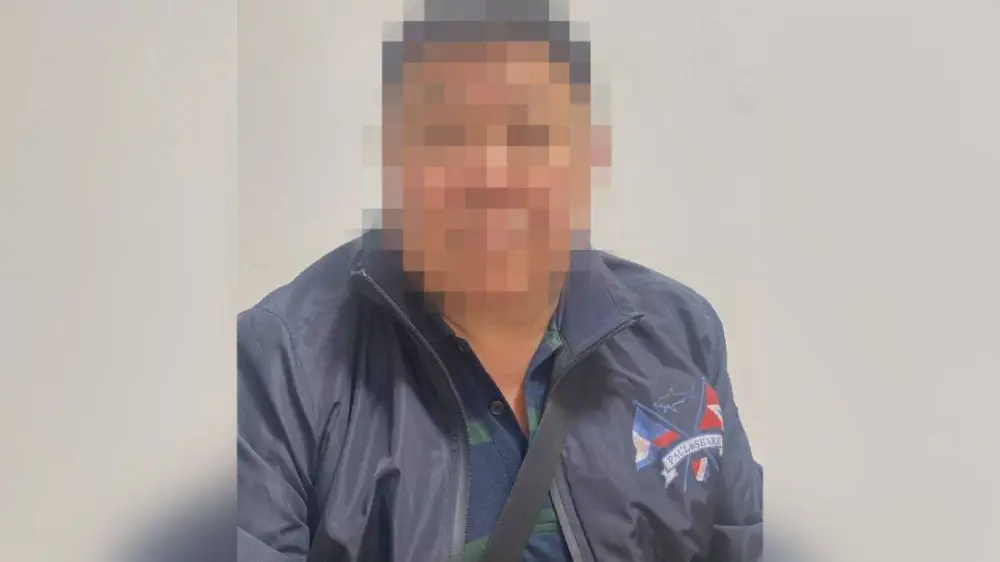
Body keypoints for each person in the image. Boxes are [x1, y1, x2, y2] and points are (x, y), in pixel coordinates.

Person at [237, 1, 763, 560]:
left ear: (587, 156)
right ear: (395, 157)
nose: (491, 176)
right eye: (447, 134)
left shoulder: (679, 337)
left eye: (528, 134)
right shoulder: (286, 364)